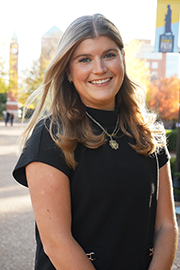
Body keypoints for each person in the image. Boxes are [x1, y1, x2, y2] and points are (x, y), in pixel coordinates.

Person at [13, 14, 178, 270]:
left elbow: (166, 226)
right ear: (68, 71)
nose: (99, 68)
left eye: (109, 55)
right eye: (85, 59)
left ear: (123, 59)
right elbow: (57, 242)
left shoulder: (149, 133)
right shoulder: (50, 137)